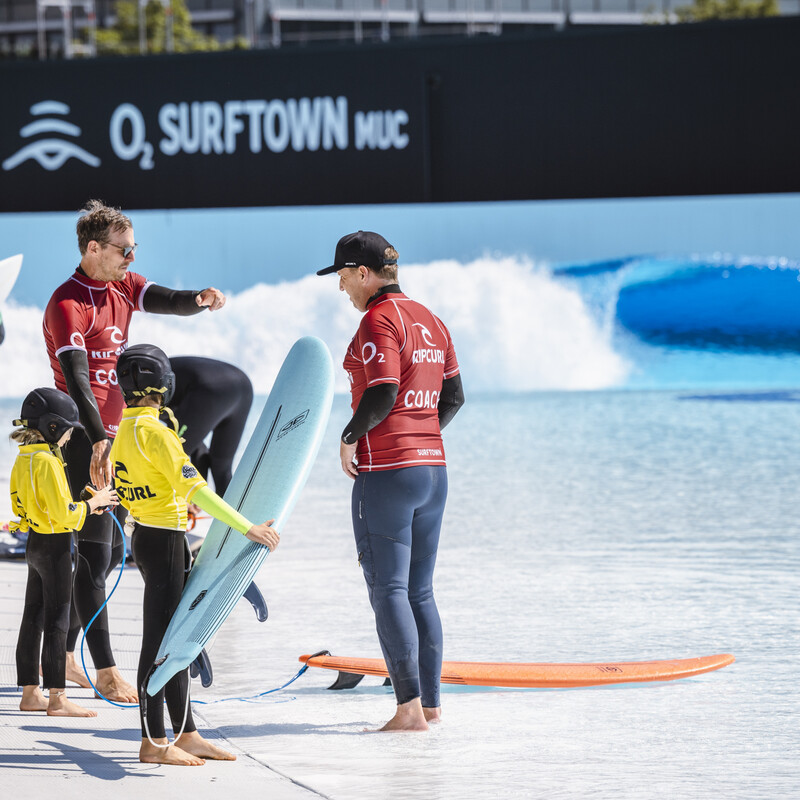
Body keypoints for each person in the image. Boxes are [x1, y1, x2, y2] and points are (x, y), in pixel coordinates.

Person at [43, 199, 226, 702]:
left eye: (133, 247)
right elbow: (78, 380)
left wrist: (199, 298)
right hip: (83, 440)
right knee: (95, 553)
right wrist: (99, 439)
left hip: (117, 437)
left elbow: (166, 299)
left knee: (99, 556)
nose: (131, 257)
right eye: (123, 249)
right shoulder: (67, 304)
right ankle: (104, 669)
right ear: (93, 248)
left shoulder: (122, 285)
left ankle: (62, 654)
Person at [316, 231, 465, 732]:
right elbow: (454, 398)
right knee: (420, 591)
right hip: (433, 471)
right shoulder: (432, 320)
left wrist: (349, 437)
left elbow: (382, 391)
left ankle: (407, 711)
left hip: (387, 474)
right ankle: (431, 707)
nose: (341, 288)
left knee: (389, 590)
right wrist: (418, 436)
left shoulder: (378, 319)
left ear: (363, 273)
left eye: (342, 276)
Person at [110, 344, 279, 766]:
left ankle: (187, 733)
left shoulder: (123, 432)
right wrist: (247, 527)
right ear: (162, 384)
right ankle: (153, 742)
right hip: (166, 543)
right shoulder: (158, 434)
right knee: (160, 644)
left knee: (178, 639)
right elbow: (198, 490)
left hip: (146, 538)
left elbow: (129, 490)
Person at [10, 388, 118, 718]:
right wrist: (95, 502)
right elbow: (64, 515)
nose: (71, 437)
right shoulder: (50, 461)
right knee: (57, 620)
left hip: (34, 544)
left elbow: (20, 504)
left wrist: (80, 504)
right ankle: (57, 698)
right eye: (70, 430)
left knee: (32, 617)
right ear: (53, 428)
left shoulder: (24, 457)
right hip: (56, 548)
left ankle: (30, 693)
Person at [167, 356, 254, 497]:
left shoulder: (135, 394)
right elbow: (195, 441)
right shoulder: (146, 371)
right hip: (243, 386)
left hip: (209, 387)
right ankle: (232, 510)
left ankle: (194, 502)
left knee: (169, 457)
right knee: (221, 467)